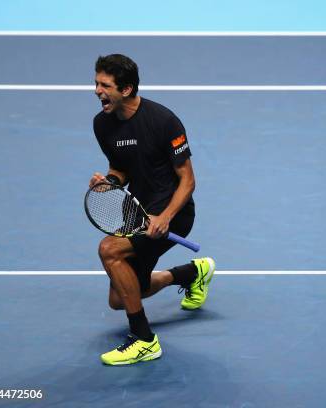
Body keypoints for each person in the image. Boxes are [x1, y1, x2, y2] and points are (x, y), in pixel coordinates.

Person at [89, 54, 215, 365]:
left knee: (109, 250)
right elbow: (121, 168)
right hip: (139, 213)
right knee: (121, 297)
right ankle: (192, 273)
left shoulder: (163, 121)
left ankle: (144, 339)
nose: (96, 91)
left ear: (127, 89)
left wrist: (165, 217)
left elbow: (188, 180)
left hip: (174, 214)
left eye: (105, 85)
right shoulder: (102, 124)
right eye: (96, 83)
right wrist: (109, 182)